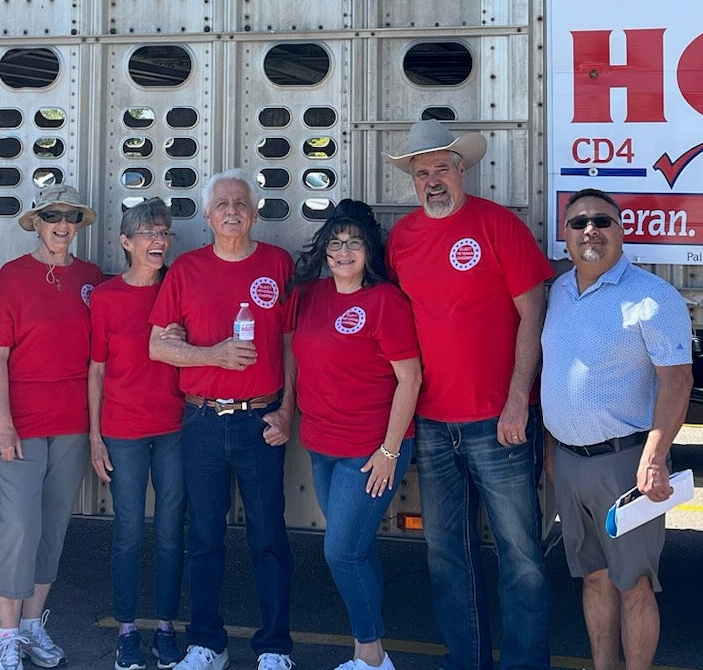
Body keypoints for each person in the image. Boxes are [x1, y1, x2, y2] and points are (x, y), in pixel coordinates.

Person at [384, 120, 553, 670]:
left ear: (464, 169)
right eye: (421, 171)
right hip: (433, 424)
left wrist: (516, 401)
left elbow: (534, 314)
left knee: (521, 558)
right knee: (446, 558)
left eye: (441, 168)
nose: (432, 180)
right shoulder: (402, 240)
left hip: (498, 423)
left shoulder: (499, 226)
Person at [148, 169, 295, 670]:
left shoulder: (278, 264)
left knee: (268, 537)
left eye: (241, 202)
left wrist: (288, 410)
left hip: (261, 421)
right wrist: (213, 355)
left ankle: (275, 648)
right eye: (222, 204)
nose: (232, 210)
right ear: (208, 216)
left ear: (254, 213)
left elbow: (293, 345)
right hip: (204, 422)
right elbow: (157, 345)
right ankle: (206, 643)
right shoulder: (186, 270)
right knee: (204, 536)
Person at [541, 189, 693, 670]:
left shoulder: (652, 296)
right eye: (579, 222)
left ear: (621, 231)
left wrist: (654, 457)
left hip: (625, 464)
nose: (591, 230)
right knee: (593, 579)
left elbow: (677, 380)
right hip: (568, 462)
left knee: (635, 585)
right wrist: (550, 447)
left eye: (602, 221)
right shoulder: (559, 292)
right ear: (564, 236)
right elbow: (555, 372)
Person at [284, 200, 421, 670]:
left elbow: (410, 379)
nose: (344, 252)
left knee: (340, 551)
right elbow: (293, 356)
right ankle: (372, 647)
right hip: (322, 447)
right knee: (355, 550)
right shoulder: (311, 295)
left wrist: (389, 450)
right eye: (336, 244)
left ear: (368, 251)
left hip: (368, 452)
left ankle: (371, 656)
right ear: (325, 250)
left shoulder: (385, 301)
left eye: (354, 244)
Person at [0, 182, 105, 670]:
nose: (62, 224)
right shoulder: (12, 277)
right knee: (18, 524)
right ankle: (7, 634)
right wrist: (4, 424)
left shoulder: (91, 277)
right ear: (36, 222)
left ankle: (34, 626)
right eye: (52, 215)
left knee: (52, 525)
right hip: (19, 422)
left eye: (70, 216)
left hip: (72, 422)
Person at [89, 198, 187, 670]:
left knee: (170, 532)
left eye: (165, 233)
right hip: (123, 430)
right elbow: (96, 370)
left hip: (175, 428)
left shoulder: (179, 286)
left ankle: (166, 628)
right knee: (128, 532)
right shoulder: (106, 296)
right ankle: (127, 630)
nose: (159, 241)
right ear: (126, 242)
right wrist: (94, 435)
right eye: (149, 233)